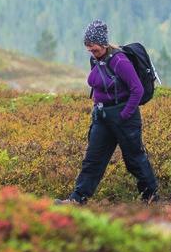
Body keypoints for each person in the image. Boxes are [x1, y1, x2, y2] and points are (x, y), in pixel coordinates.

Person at [57, 20, 159, 205]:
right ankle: (77, 199)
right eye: (89, 49)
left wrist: (124, 115)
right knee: (92, 160)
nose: (91, 53)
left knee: (134, 159)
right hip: (102, 117)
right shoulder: (96, 59)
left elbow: (137, 90)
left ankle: (150, 197)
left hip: (124, 117)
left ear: (104, 44)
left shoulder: (120, 60)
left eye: (94, 49)